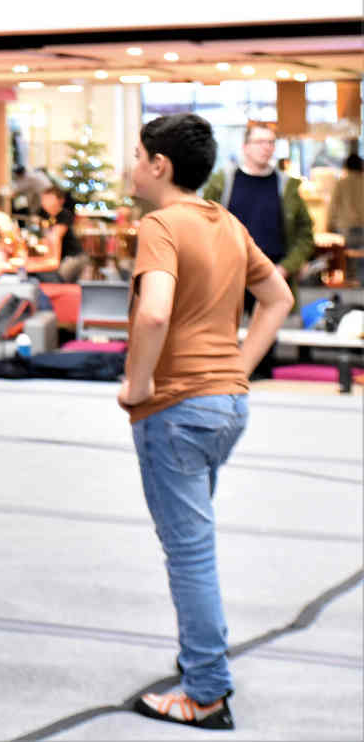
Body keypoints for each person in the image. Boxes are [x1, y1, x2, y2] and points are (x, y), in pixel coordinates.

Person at [120, 114, 293, 730]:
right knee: (195, 544)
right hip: (223, 405)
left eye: (137, 156)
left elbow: (153, 314)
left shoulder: (161, 226)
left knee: (189, 554)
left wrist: (137, 383)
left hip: (176, 407)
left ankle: (206, 690)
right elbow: (278, 298)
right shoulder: (227, 223)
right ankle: (201, 663)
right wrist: (237, 367)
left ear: (159, 167)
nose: (132, 166)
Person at [199, 123, 315, 284]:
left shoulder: (286, 185)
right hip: (231, 276)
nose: (266, 147)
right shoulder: (223, 181)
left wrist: (287, 267)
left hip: (274, 275)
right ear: (245, 146)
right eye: (260, 142)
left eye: (271, 142)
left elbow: (305, 234)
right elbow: (202, 224)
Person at [35, 185, 89, 282]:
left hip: (73, 257)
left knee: (56, 279)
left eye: (50, 199)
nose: (45, 202)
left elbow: (55, 237)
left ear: (60, 201)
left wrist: (52, 261)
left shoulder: (64, 215)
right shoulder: (47, 217)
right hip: (62, 257)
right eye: (44, 199)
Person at [327, 152, 364, 256]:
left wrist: (329, 225)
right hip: (362, 228)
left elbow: (333, 207)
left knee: (346, 262)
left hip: (344, 229)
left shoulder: (341, 183)